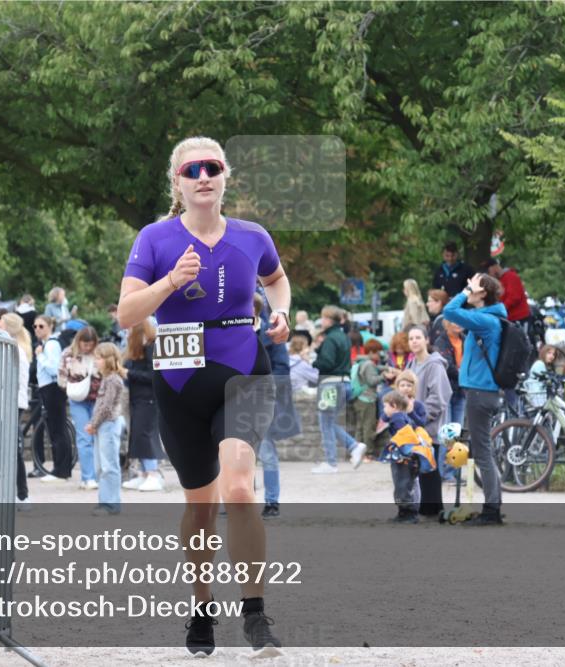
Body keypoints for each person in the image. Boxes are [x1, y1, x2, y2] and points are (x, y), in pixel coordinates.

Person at [116, 136, 287, 656]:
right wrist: (169, 281)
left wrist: (280, 312)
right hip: (179, 382)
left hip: (244, 371)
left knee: (239, 488)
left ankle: (256, 616)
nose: (204, 176)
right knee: (201, 508)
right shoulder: (154, 238)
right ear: (178, 182)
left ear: (225, 177)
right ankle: (201, 606)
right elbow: (125, 314)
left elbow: (277, 281)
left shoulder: (252, 236)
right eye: (193, 169)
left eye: (213, 167)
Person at [443, 272, 507, 526]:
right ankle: (490, 506)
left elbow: (449, 310)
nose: (469, 289)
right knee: (481, 452)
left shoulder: (487, 320)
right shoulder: (489, 319)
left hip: (481, 393)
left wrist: (465, 293)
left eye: (473, 286)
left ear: (483, 293)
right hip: (482, 392)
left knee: (483, 454)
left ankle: (492, 510)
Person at [255, 291, 302, 518]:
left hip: (261, 398)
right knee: (235, 455)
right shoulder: (231, 328)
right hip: (234, 397)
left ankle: (271, 501)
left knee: (267, 453)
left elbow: (282, 368)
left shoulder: (272, 329)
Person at [312, 305, 367, 473]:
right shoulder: (344, 336)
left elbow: (327, 363)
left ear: (328, 319)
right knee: (329, 422)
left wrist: (315, 361)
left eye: (323, 318)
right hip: (345, 384)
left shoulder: (330, 338)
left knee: (325, 423)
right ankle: (353, 446)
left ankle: (332, 462)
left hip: (330, 384)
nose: (321, 321)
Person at [403, 325, 448, 515]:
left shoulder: (435, 365)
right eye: (411, 338)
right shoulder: (411, 365)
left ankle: (433, 508)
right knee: (418, 468)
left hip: (428, 426)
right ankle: (425, 507)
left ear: (426, 340)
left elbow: (438, 398)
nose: (414, 341)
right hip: (412, 426)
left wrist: (421, 418)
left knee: (429, 467)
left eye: (418, 337)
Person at [122, 319, 167, 492]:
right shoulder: (138, 350)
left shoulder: (151, 347)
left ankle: (153, 474)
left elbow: (153, 375)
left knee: (146, 436)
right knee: (138, 436)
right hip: (138, 398)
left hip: (148, 399)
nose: (127, 333)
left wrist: (129, 373)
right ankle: (143, 473)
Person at [380, 390, 435, 524]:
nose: (383, 409)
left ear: (393, 406)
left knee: (402, 484)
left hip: (403, 458)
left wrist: (396, 446)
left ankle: (408, 514)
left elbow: (405, 436)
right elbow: (384, 417)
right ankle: (406, 512)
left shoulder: (398, 418)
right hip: (410, 458)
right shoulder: (403, 416)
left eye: (385, 406)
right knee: (407, 484)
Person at [85, 342, 127, 515]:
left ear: (109, 359)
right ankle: (105, 501)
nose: (96, 361)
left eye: (99, 358)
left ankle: (111, 504)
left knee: (109, 465)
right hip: (103, 425)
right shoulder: (108, 379)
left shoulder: (112, 380)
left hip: (107, 425)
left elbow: (106, 407)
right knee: (101, 466)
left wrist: (93, 424)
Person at [59, 326, 101, 490]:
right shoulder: (68, 354)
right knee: (84, 438)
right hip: (77, 399)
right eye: (85, 344)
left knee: (98, 437)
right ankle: (88, 477)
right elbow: (61, 377)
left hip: (98, 399)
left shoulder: (99, 353)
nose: (87, 348)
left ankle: (97, 475)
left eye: (90, 344)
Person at [33, 316, 73, 481]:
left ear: (50, 326)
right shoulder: (46, 345)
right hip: (47, 388)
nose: (37, 329)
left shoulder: (51, 345)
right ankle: (59, 467)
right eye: (34, 326)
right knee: (54, 428)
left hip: (52, 388)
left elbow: (52, 369)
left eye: (41, 326)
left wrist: (40, 356)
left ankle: (61, 470)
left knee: (58, 429)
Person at [0, 313, 32, 508]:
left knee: (13, 449)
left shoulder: (14, 350)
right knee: (11, 449)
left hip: (10, 403)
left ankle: (21, 494)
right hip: (9, 402)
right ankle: (19, 493)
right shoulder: (12, 349)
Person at [434, 319, 466, 480]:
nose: (458, 324)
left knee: (456, 433)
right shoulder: (441, 342)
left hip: (461, 392)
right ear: (447, 324)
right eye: (454, 321)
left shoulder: (466, 339)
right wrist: (464, 375)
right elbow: (446, 365)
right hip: (447, 391)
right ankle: (443, 472)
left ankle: (451, 471)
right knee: (447, 433)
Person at [348, 339, 384, 463]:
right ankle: (368, 454)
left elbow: (376, 368)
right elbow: (371, 380)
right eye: (379, 352)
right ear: (373, 352)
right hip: (367, 398)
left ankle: (356, 452)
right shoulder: (369, 364)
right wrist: (384, 376)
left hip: (359, 398)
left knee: (360, 427)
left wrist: (384, 368)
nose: (380, 355)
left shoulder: (361, 361)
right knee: (368, 427)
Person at [483, 258, 530, 329]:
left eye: (488, 271)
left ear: (495, 267)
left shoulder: (511, 276)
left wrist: (500, 309)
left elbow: (514, 298)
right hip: (508, 319)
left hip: (519, 318)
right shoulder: (499, 280)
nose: (489, 274)